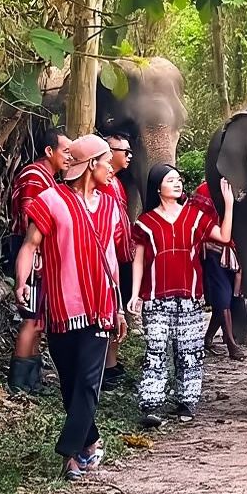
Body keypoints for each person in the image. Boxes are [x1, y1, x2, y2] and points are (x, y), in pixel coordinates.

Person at [14, 134, 129, 481]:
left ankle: (69, 454)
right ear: (91, 164)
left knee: (89, 382)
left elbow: (111, 260)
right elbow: (30, 244)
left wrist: (119, 308)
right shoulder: (50, 200)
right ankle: (90, 441)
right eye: (106, 161)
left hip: (100, 306)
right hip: (61, 308)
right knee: (70, 382)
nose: (111, 168)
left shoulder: (110, 207)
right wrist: (21, 281)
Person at [130, 164, 234, 426]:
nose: (177, 184)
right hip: (155, 298)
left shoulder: (195, 216)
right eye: (170, 180)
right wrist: (135, 294)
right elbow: (139, 261)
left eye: (179, 179)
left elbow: (224, 236)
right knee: (155, 349)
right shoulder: (145, 223)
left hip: (190, 297)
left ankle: (187, 402)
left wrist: (229, 204)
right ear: (157, 187)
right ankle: (151, 405)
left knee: (189, 351)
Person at [7, 127, 70, 394]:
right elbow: (29, 219)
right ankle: (18, 384)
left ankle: (31, 381)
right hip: (31, 254)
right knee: (31, 319)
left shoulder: (49, 179)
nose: (69, 157)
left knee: (39, 320)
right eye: (66, 151)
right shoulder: (35, 176)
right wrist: (38, 256)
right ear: (49, 151)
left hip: (38, 254)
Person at [190, 180, 245, 360]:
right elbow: (194, 221)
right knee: (223, 297)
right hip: (213, 251)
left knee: (225, 299)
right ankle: (231, 344)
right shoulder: (205, 191)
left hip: (235, 252)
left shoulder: (243, 187)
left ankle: (208, 338)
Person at [100, 133, 135, 387]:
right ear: (109, 152)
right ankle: (107, 366)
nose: (130, 156)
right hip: (108, 255)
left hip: (120, 254)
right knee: (111, 307)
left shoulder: (116, 183)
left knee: (117, 305)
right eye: (125, 151)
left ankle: (111, 362)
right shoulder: (104, 183)